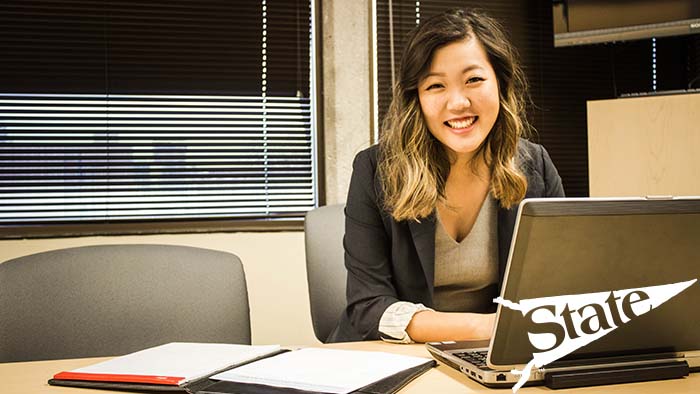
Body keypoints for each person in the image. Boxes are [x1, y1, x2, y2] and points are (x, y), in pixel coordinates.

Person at [328, 8, 565, 343]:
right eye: (436, 85)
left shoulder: (535, 165)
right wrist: (488, 328)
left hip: (498, 358)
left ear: (501, 83)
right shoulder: (374, 170)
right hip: (390, 357)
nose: (458, 102)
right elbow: (369, 307)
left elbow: (561, 284)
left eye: (474, 79)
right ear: (417, 99)